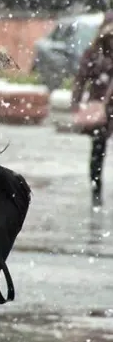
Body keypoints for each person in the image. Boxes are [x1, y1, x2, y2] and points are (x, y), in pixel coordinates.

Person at [71, 13, 113, 209]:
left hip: (107, 106)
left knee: (98, 150)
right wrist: (76, 104)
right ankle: (96, 189)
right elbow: (80, 79)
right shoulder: (94, 52)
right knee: (98, 150)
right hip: (101, 110)